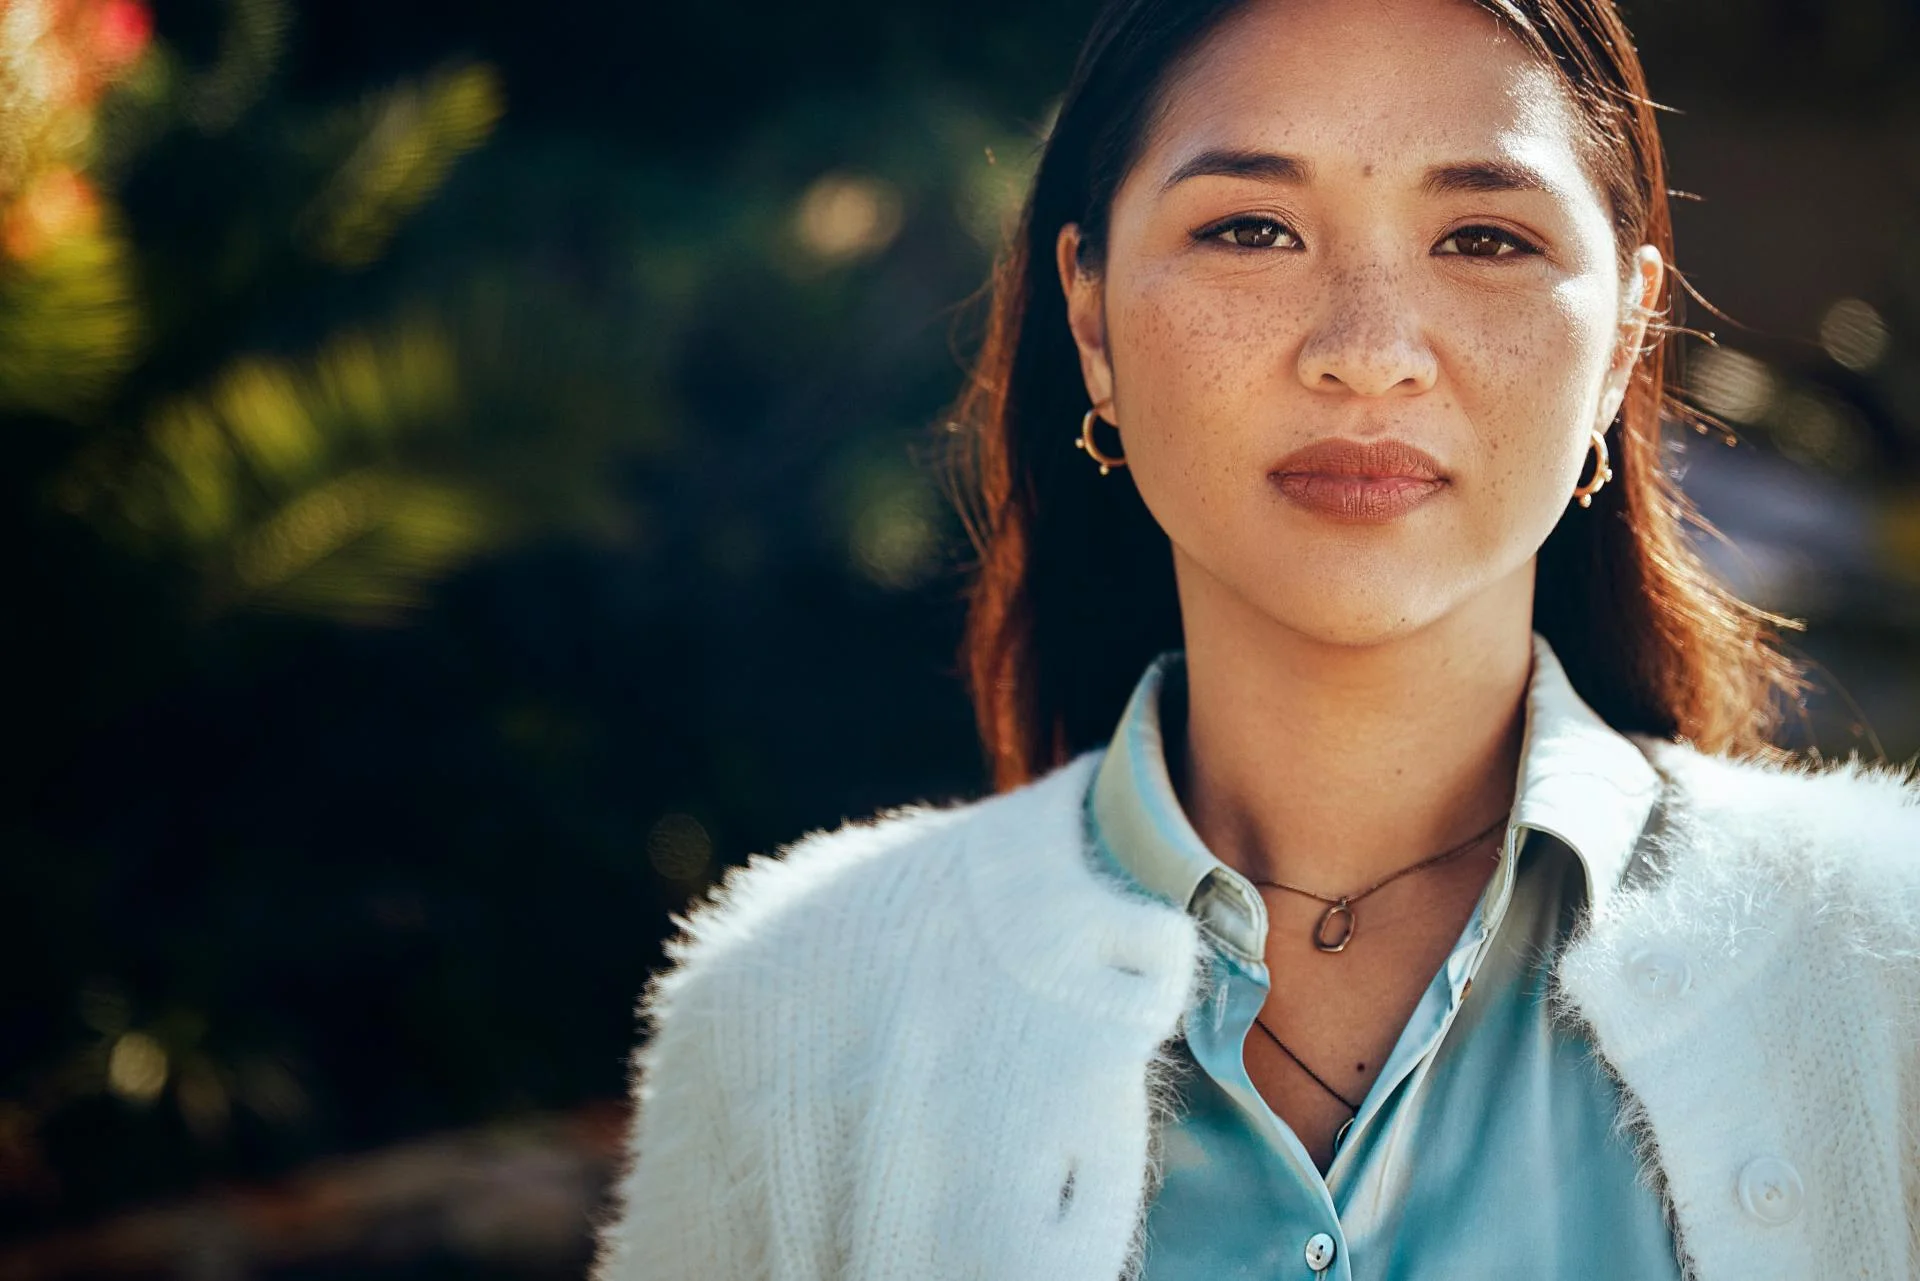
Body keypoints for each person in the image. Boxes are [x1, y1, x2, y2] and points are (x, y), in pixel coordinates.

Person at [592, 0, 1920, 1276]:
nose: (1368, 353)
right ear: (1092, 317)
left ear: (1627, 336)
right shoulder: (799, 1012)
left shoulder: (1890, 961)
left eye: (1482, 238)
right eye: (1250, 228)